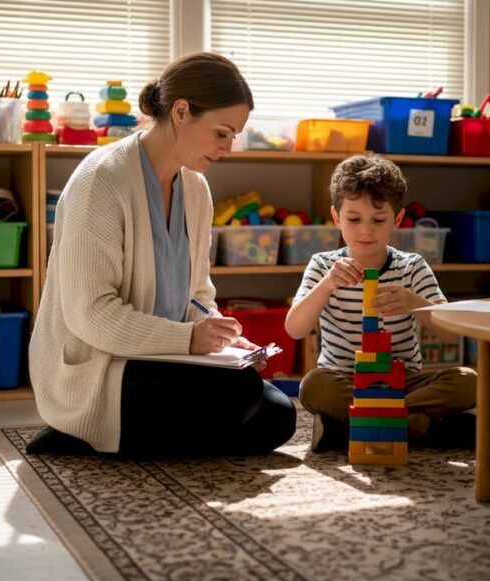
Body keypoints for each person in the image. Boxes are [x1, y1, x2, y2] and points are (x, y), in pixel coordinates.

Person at [26, 52, 296, 458]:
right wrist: (189, 339)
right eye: (222, 133)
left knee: (280, 415)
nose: (228, 149)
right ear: (182, 112)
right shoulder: (102, 180)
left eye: (233, 136)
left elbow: (197, 294)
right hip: (101, 369)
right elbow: (91, 314)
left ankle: (137, 438)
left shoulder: (196, 189)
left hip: (164, 358)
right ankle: (81, 428)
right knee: (238, 397)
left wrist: (219, 335)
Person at [285, 154, 477, 452]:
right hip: (343, 379)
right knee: (312, 386)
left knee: (470, 381)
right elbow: (295, 329)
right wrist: (326, 286)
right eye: (354, 219)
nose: (366, 231)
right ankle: (419, 427)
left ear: (397, 220)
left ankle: (359, 424)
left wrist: (416, 304)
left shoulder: (412, 267)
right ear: (337, 218)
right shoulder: (323, 266)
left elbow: (451, 334)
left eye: (378, 220)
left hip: (404, 382)